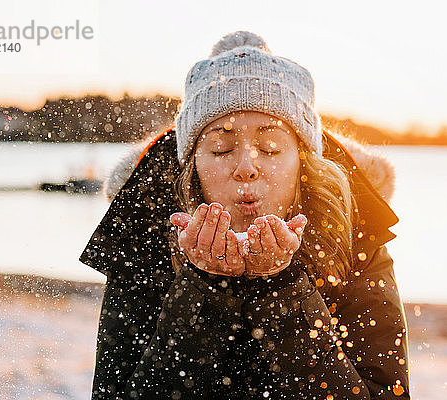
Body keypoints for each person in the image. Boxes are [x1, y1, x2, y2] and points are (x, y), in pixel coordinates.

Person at [80, 31, 410, 399]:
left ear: (303, 165)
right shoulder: (146, 234)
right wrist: (203, 286)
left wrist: (282, 289)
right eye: (221, 149)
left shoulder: (357, 237)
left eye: (270, 147)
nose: (246, 167)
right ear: (192, 168)